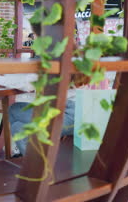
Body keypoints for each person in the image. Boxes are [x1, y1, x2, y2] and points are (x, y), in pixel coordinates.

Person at [9, 22, 89, 156]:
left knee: (15, 110)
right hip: (72, 112)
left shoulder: (56, 56)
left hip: (69, 116)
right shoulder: (74, 54)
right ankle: (34, 159)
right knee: (18, 125)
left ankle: (34, 159)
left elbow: (29, 84)